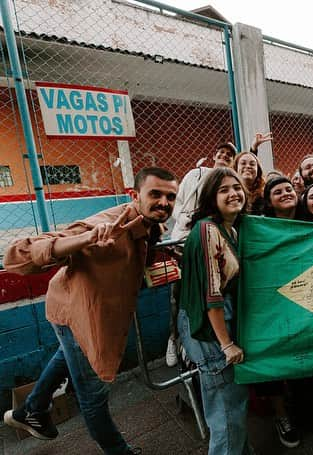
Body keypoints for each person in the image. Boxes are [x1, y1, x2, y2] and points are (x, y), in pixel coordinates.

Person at [3, 168, 178, 454]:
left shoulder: (151, 226)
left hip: (77, 309)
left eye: (170, 197)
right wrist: (85, 240)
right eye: (155, 194)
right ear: (135, 196)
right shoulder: (107, 223)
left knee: (65, 356)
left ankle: (30, 411)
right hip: (78, 314)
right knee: (93, 396)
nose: (164, 202)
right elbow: (20, 255)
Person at [177, 168, 250, 455]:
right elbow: (212, 294)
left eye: (236, 187)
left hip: (214, 322)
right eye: (224, 190)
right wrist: (226, 344)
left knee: (232, 405)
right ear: (210, 197)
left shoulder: (228, 227)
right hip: (211, 329)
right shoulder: (208, 230)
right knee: (226, 411)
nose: (233, 194)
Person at [166, 143, 237, 367]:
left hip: (210, 240)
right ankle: (175, 340)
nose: (224, 157)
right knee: (180, 295)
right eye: (221, 153)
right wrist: (187, 219)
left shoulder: (227, 186)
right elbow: (178, 203)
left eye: (229, 155)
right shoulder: (196, 175)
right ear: (214, 155)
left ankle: (196, 345)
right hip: (185, 240)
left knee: (206, 292)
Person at [256, 176, 301, 447]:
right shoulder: (260, 227)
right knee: (271, 353)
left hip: (307, 298)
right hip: (273, 299)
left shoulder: (312, 219)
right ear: (269, 202)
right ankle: (281, 415)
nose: (285, 193)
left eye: (289, 189)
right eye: (278, 191)